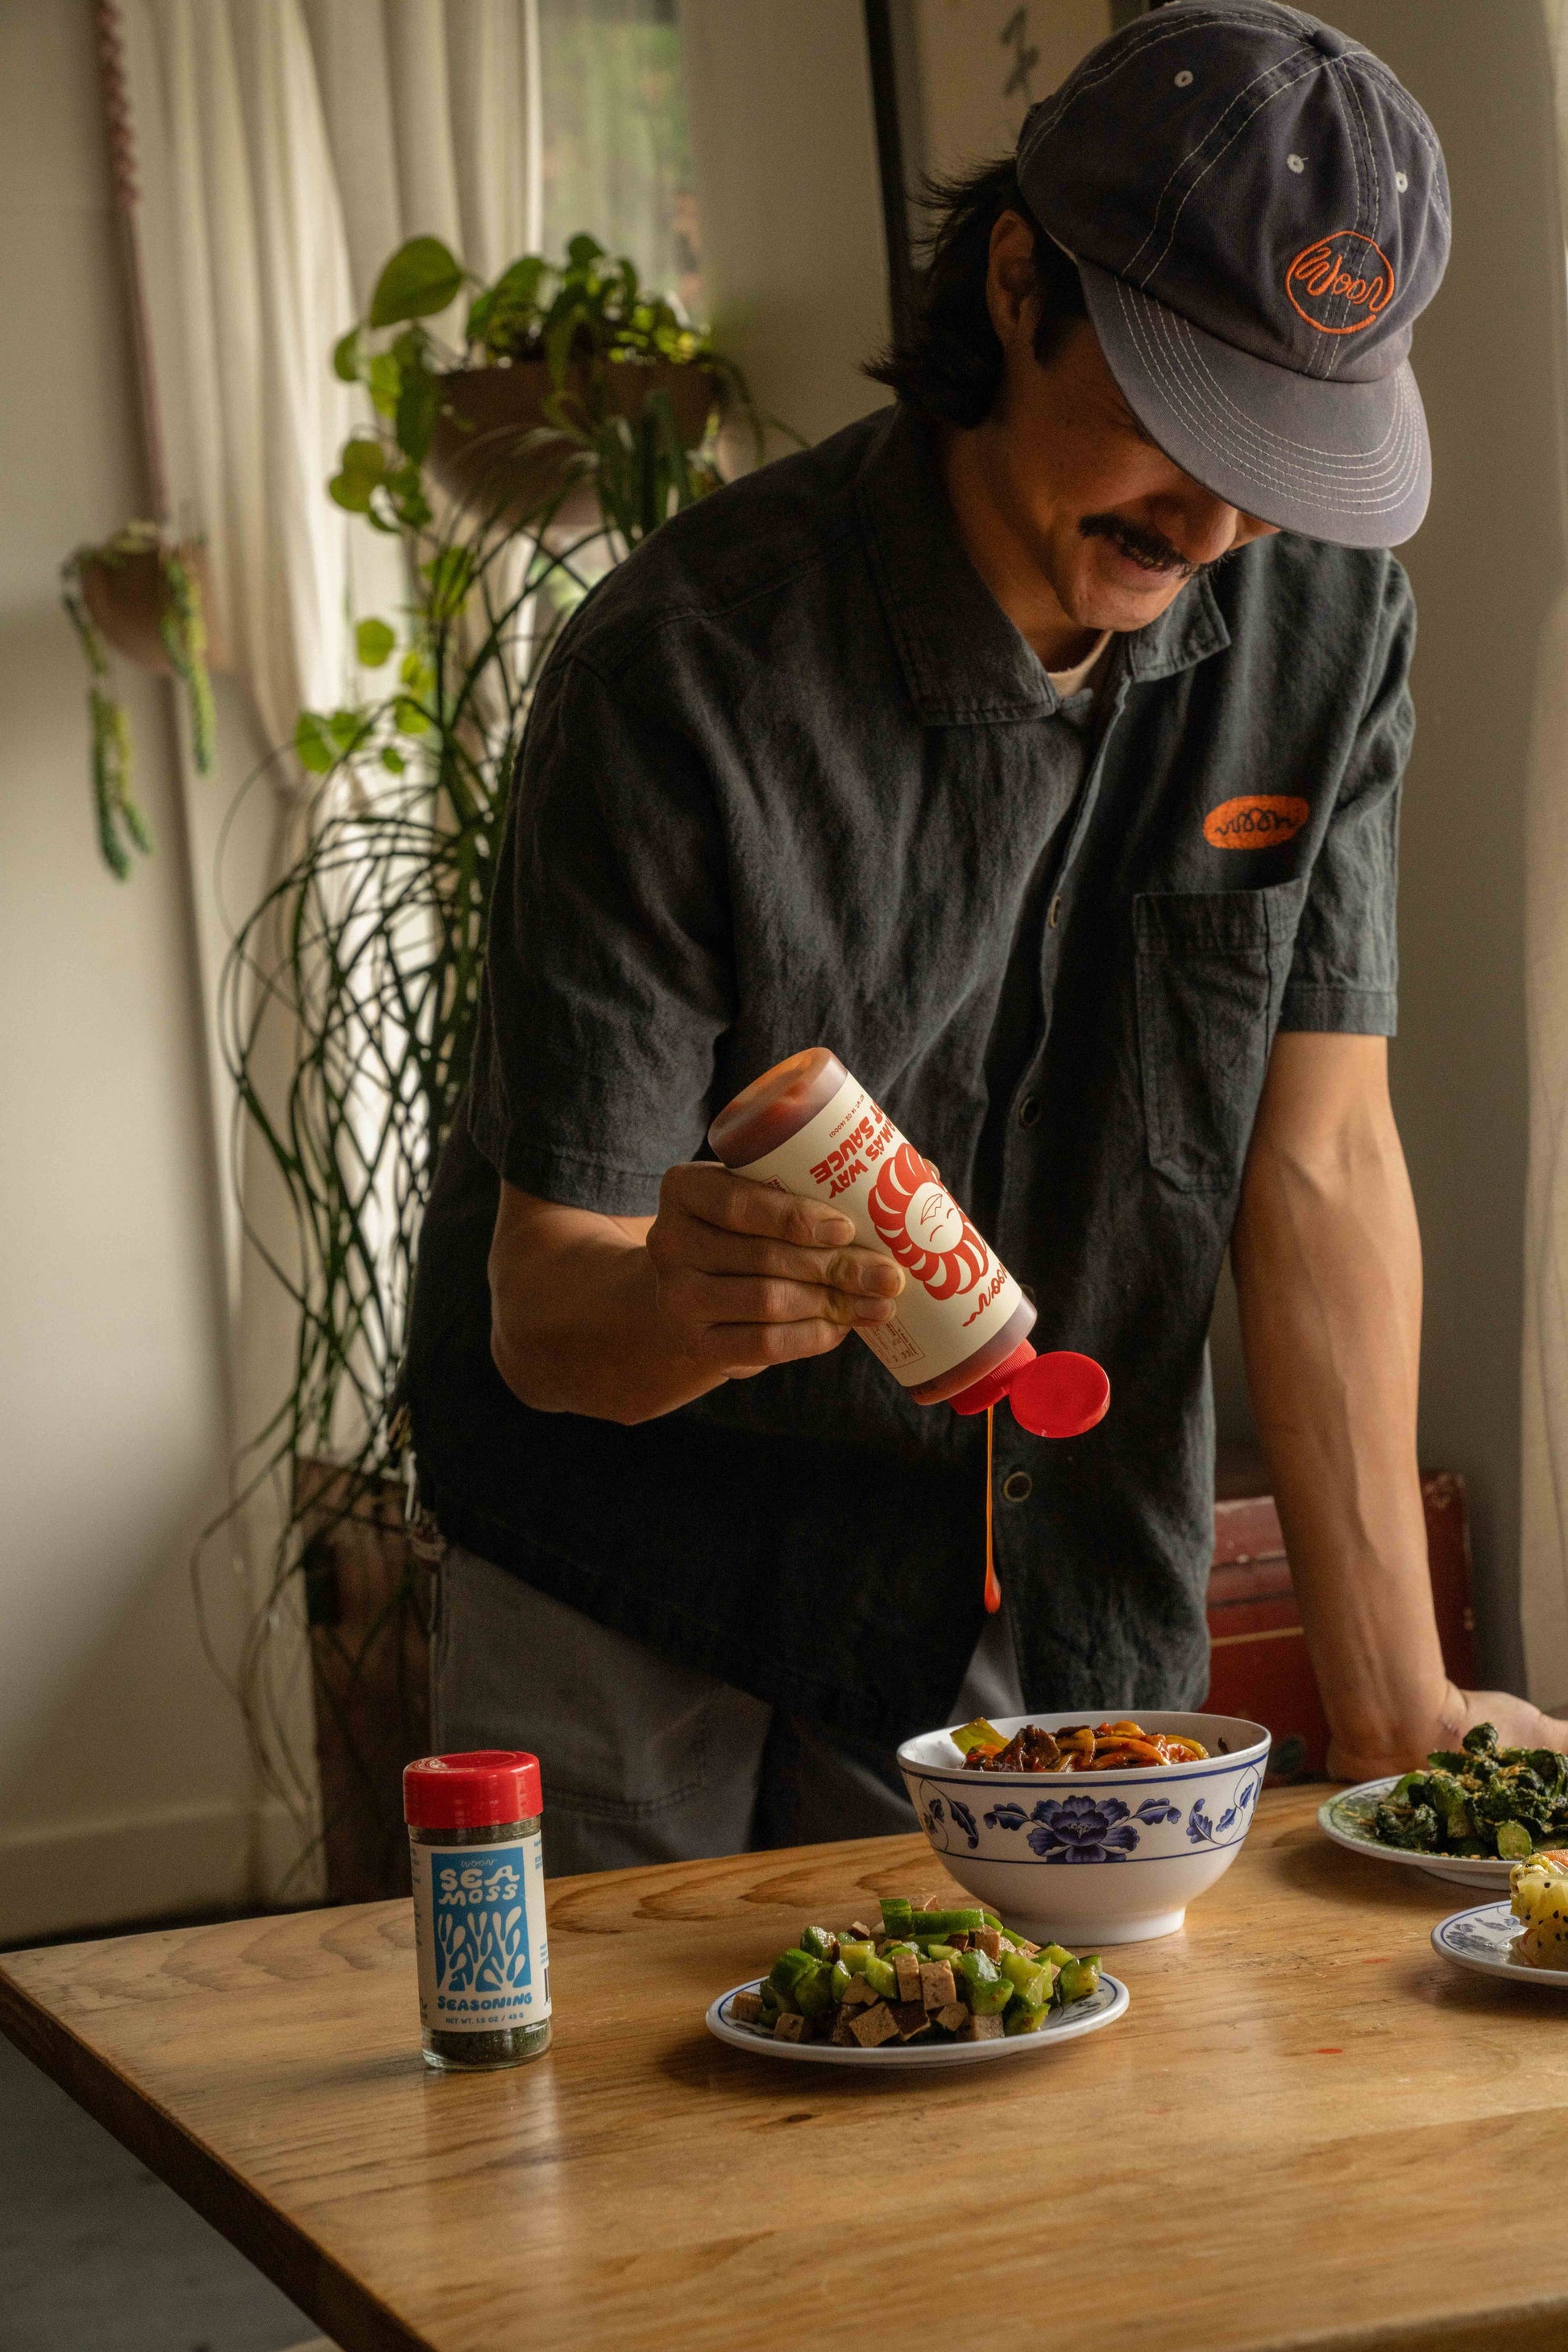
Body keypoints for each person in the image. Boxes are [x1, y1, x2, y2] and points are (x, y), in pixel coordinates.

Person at [404, 0, 1568, 1877]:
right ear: (1017, 285)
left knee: (999, 2062)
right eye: (1180, 418)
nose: (1217, 517)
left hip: (1029, 1571)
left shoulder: (1329, 631)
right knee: (613, 2072)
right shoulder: (681, 673)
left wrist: (1395, 1701)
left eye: (1283, 451)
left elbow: (1324, 1156)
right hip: (634, 1563)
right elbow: (549, 1306)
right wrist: (682, 1305)